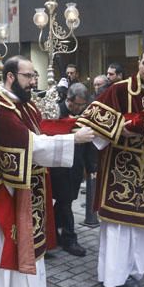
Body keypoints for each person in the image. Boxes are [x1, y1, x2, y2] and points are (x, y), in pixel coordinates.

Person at [0, 56, 95, 287]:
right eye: (28, 76)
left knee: (32, 253)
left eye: (34, 75)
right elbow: (31, 144)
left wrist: (71, 126)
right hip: (8, 197)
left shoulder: (22, 106)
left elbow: (43, 127)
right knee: (10, 254)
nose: (34, 81)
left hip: (28, 191)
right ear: (11, 76)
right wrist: (74, 139)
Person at [77, 46, 144, 287]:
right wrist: (123, 127)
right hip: (120, 167)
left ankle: (135, 273)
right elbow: (92, 118)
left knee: (143, 228)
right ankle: (111, 275)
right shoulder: (118, 89)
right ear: (138, 63)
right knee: (117, 225)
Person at [51, 82, 90, 257]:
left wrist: (90, 167)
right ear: (69, 100)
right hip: (57, 167)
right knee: (65, 202)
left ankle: (53, 231)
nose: (81, 108)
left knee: (65, 202)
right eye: (79, 104)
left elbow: (89, 143)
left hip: (75, 167)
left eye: (84, 105)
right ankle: (69, 238)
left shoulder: (84, 115)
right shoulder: (55, 112)